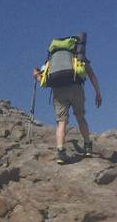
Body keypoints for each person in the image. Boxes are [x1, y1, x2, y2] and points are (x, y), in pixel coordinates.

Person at [33, 33, 102, 164]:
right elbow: (92, 75)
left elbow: (42, 80)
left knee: (61, 122)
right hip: (76, 88)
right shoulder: (77, 56)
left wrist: (36, 74)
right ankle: (87, 146)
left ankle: (60, 151)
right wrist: (98, 93)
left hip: (58, 91)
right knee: (80, 117)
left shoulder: (52, 60)